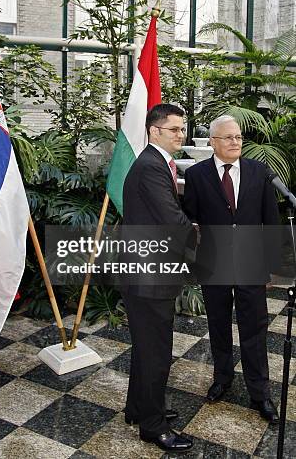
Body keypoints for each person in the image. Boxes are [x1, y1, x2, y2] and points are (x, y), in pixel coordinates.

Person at [184, 114, 280, 423]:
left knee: (254, 328)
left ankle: (260, 392)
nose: (235, 142)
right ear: (212, 142)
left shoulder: (259, 172)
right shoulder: (197, 176)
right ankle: (222, 379)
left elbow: (271, 222)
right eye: (228, 137)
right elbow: (191, 220)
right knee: (219, 325)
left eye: (238, 137)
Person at [121, 103, 196, 453]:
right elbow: (172, 220)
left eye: (183, 129)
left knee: (147, 348)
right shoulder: (151, 166)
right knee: (156, 353)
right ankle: (153, 427)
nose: (181, 134)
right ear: (154, 131)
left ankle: (139, 408)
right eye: (174, 129)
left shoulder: (158, 163)